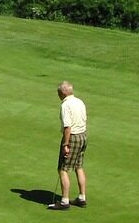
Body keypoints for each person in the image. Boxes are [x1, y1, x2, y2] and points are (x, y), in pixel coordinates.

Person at [48, 81, 87, 210]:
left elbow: (67, 126)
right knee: (78, 166)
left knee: (63, 169)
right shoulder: (79, 101)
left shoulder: (66, 105)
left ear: (62, 93)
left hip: (72, 137)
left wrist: (65, 144)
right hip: (83, 136)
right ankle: (82, 197)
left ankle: (64, 201)